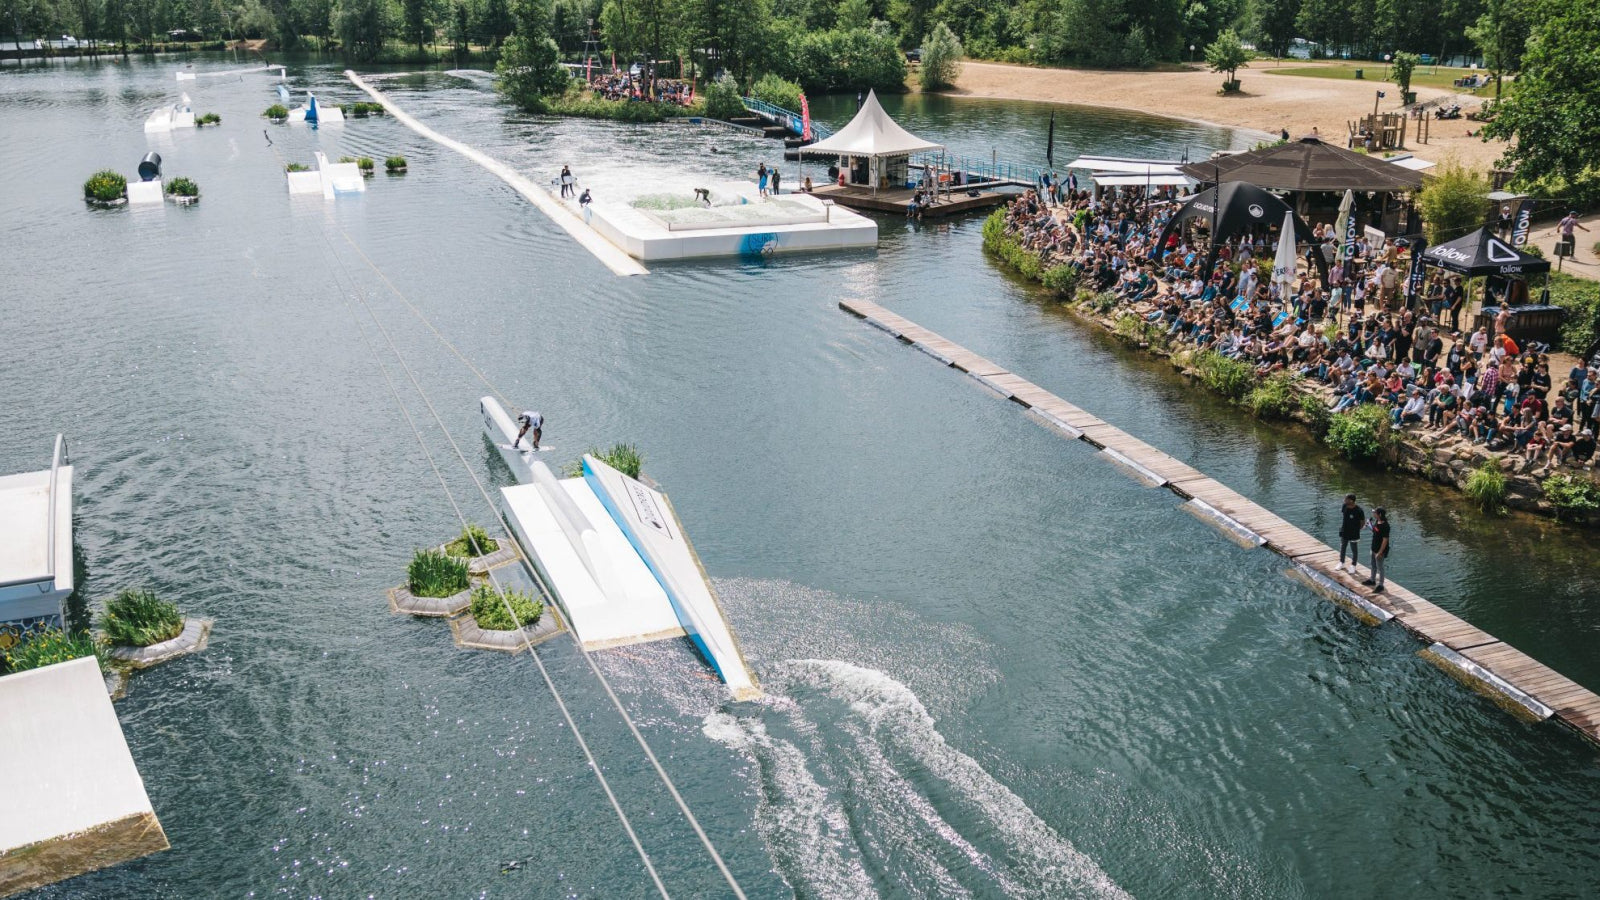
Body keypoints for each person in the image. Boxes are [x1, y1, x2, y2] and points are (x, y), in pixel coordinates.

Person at [1363, 507, 1390, 591]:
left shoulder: (1385, 526)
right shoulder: (1377, 522)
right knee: (1373, 565)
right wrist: (1369, 525)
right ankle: (1372, 580)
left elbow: (1385, 540)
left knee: (1380, 567)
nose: (1373, 514)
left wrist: (1380, 552)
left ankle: (1381, 585)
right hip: (1373, 547)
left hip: (1380, 550)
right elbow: (1375, 531)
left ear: (1379, 514)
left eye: (1375, 513)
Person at [1338, 493, 1365, 574]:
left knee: (1354, 549)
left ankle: (1353, 565)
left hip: (1354, 533)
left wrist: (1357, 529)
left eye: (1346, 499)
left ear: (1351, 500)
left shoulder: (1359, 510)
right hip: (1344, 531)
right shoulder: (1344, 506)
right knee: (1343, 547)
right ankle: (1341, 563)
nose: (1344, 500)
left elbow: (1362, 522)